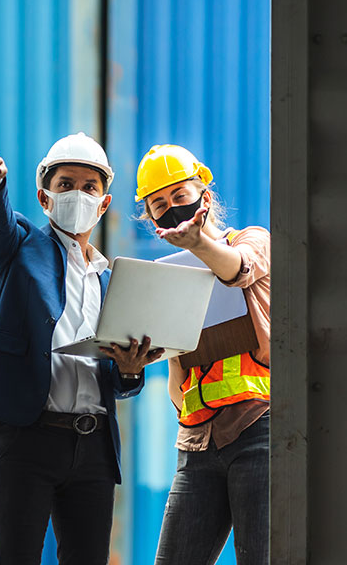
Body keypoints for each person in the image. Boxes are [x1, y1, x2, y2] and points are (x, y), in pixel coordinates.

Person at [0, 133, 159, 564]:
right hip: (27, 440)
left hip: (93, 448)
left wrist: (129, 371)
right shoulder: (18, 248)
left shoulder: (113, 281)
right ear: (44, 197)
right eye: (65, 184)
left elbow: (118, 380)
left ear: (104, 203)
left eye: (90, 187)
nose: (78, 194)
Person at [106, 144, 271, 565]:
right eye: (159, 204)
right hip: (196, 441)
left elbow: (237, 270)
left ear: (205, 198)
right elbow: (176, 381)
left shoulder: (252, 241)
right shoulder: (167, 278)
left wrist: (199, 243)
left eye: (181, 196)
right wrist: (134, 361)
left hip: (260, 429)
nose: (172, 209)